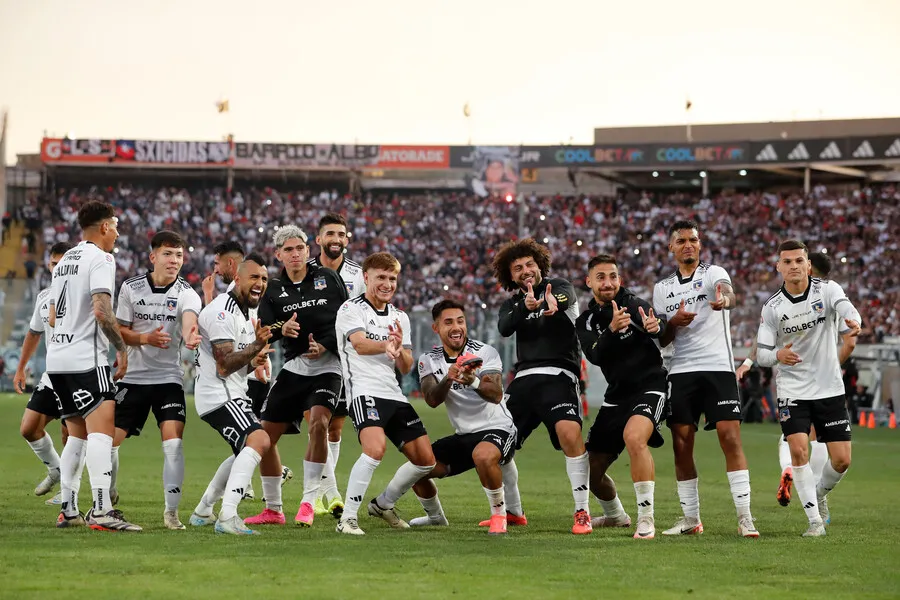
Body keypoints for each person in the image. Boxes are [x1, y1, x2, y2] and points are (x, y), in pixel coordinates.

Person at [652, 219, 757, 537]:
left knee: (730, 438)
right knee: (681, 445)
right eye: (681, 240)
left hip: (718, 369)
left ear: (700, 244)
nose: (688, 245)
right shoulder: (662, 289)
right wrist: (673, 321)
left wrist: (724, 300)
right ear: (671, 247)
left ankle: (745, 517)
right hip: (681, 371)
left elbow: (729, 295)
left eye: (693, 240)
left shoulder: (714, 273)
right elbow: (664, 339)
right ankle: (691, 520)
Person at [243, 226, 348, 527]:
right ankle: (273, 509)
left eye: (300, 247)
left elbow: (345, 319)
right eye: (288, 250)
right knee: (263, 438)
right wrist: (281, 331)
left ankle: (308, 501)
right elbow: (263, 329)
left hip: (328, 367)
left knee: (319, 424)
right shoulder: (273, 289)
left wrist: (325, 344)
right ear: (278, 255)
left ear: (307, 249)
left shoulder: (328, 278)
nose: (296, 254)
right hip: (294, 369)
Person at [46, 201, 141, 531]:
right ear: (103, 227)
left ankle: (68, 508)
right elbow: (102, 310)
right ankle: (101, 510)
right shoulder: (101, 258)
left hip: (57, 359)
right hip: (87, 358)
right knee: (101, 431)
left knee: (77, 435)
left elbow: (53, 316)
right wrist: (122, 348)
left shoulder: (64, 261)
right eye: (114, 225)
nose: (116, 232)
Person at [756, 239, 861, 536]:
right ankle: (814, 522)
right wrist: (778, 355)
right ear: (779, 267)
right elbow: (763, 353)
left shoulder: (827, 291)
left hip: (829, 389)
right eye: (786, 262)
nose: (793, 266)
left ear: (808, 264)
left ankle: (819, 493)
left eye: (798, 261)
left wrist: (855, 320)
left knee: (841, 461)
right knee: (799, 451)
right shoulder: (772, 308)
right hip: (793, 390)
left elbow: (846, 308)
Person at [492, 238, 591, 535]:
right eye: (518, 268)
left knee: (569, 433)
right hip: (522, 381)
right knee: (496, 442)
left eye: (530, 265)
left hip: (559, 375)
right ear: (511, 276)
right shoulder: (511, 304)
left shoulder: (558, 286)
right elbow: (505, 327)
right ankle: (514, 511)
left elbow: (564, 298)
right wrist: (525, 305)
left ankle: (582, 511)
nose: (525, 271)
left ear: (540, 266)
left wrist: (550, 304)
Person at [334, 252, 436, 536]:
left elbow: (406, 366)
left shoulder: (400, 317)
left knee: (425, 460)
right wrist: (386, 347)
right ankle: (347, 519)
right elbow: (360, 344)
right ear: (366, 278)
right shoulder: (350, 309)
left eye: (392, 278)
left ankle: (383, 504)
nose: (387, 283)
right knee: (374, 449)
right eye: (381, 277)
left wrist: (400, 348)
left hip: (393, 394)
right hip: (363, 390)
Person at [399, 299, 516, 535]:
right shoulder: (428, 359)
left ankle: (499, 515)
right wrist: (449, 378)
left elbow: (495, 395)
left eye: (460, 321)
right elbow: (432, 400)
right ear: (436, 328)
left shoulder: (485, 351)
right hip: (464, 435)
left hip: (499, 428)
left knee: (483, 455)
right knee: (416, 467)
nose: (456, 327)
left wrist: (472, 380)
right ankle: (435, 518)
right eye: (449, 322)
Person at [112, 231, 202, 530]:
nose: (174, 260)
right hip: (132, 379)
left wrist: (190, 336)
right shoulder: (131, 288)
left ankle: (171, 513)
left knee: (174, 445)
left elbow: (190, 321)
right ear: (153, 257)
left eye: (178, 255)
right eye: (167, 254)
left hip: (168, 380)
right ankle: (106, 493)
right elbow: (118, 330)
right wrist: (144, 338)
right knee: (109, 444)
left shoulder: (187, 293)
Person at [575, 254, 668, 540]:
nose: (608, 282)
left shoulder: (633, 303)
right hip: (616, 396)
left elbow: (659, 326)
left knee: (634, 438)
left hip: (650, 386)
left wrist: (658, 327)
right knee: (589, 471)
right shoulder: (586, 320)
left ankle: (646, 518)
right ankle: (616, 516)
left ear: (620, 279)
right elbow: (594, 354)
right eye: (601, 277)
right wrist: (613, 330)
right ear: (589, 281)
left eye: (613, 276)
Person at [188, 254, 274, 535]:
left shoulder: (244, 311)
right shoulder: (221, 312)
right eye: (254, 278)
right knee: (259, 439)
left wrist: (253, 361)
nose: (260, 283)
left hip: (228, 390)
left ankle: (204, 510)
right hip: (219, 393)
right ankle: (228, 516)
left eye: (263, 278)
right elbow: (224, 366)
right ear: (237, 278)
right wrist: (256, 346)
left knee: (243, 449)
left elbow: (234, 363)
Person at [204, 241, 290, 498]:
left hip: (247, 374)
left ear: (233, 265)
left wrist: (259, 363)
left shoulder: (245, 295)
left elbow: (253, 334)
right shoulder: (233, 300)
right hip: (233, 378)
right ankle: (227, 505)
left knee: (254, 441)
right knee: (254, 440)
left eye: (218, 264)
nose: (216, 270)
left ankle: (214, 505)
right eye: (256, 277)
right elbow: (228, 335)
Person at [307, 213, 365, 516]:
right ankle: (327, 493)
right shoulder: (303, 270)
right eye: (330, 234)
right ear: (318, 239)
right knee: (316, 423)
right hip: (309, 356)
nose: (336, 240)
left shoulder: (359, 274)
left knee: (335, 429)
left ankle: (319, 494)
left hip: (344, 359)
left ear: (347, 239)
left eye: (341, 234)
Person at [14, 242, 73, 501]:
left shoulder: (83, 295)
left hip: (77, 374)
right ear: (48, 266)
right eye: (53, 263)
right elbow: (34, 333)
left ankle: (70, 491)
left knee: (70, 433)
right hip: (52, 375)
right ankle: (56, 470)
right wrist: (20, 368)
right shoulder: (43, 297)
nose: (57, 268)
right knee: (28, 428)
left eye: (63, 263)